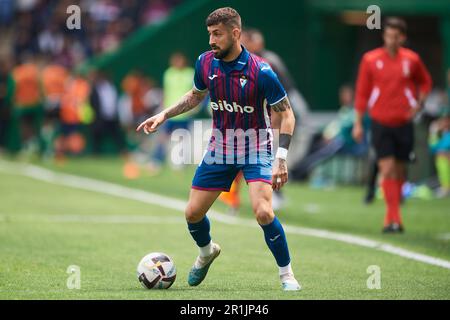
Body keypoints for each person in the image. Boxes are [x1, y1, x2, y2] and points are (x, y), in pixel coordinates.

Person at [137, 7, 300, 291]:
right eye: (209, 34)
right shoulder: (205, 63)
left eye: (217, 34)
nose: (211, 40)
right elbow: (195, 96)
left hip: (256, 147)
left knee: (263, 212)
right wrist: (163, 115)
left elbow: (287, 114)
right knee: (192, 214)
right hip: (221, 148)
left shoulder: (261, 71)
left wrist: (281, 158)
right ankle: (206, 252)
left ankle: (287, 275)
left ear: (235, 33)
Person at [353, 17, 432, 233]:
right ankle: (392, 219)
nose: (391, 40)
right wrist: (358, 123)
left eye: (396, 36)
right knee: (386, 169)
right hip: (380, 122)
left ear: (403, 38)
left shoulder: (412, 60)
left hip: (403, 122)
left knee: (398, 170)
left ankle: (395, 217)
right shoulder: (370, 60)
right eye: (388, 36)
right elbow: (362, 92)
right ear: (383, 36)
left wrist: (419, 104)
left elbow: (425, 82)